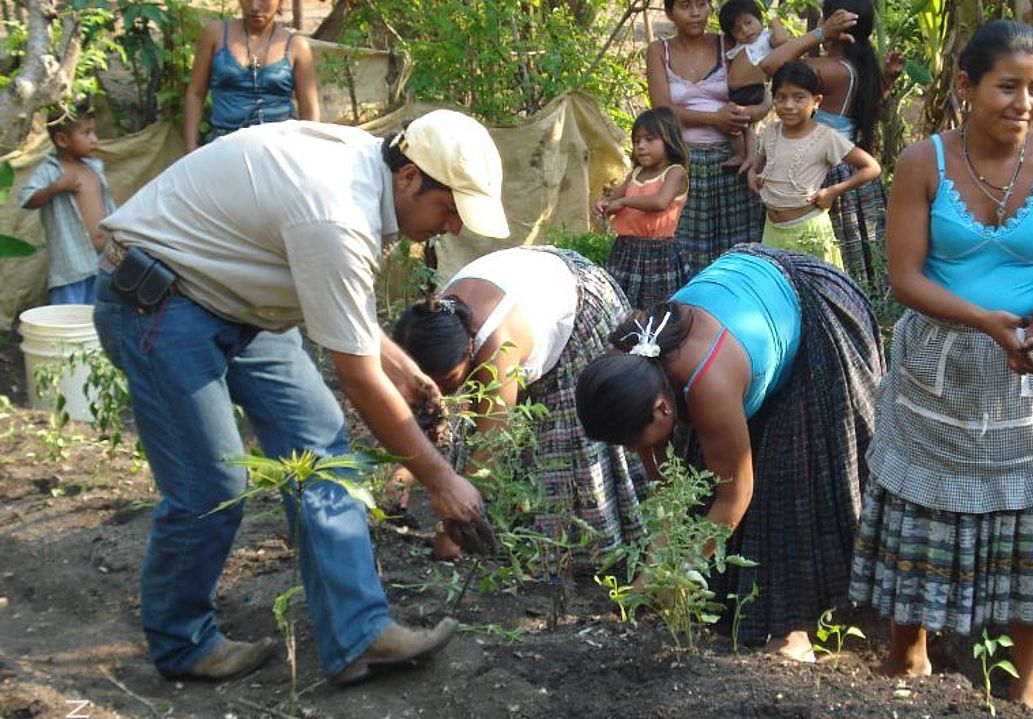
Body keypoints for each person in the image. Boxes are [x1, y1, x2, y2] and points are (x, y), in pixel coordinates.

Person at [93, 110, 507, 686]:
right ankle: (181, 642)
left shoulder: (371, 182)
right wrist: (440, 480)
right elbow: (357, 377)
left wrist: (402, 366)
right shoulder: (337, 211)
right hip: (161, 301)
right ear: (411, 177)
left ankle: (359, 634)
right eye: (450, 209)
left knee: (321, 451)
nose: (454, 227)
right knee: (208, 484)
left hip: (241, 303)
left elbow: (340, 294)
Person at [846, 21, 1033, 710]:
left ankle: (1027, 687)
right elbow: (904, 278)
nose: (1024, 102)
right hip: (943, 368)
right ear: (966, 87)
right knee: (924, 510)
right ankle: (908, 658)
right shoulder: (922, 163)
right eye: (1008, 87)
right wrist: (987, 323)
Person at [576, 245, 883, 662]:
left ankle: (795, 633)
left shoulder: (708, 385)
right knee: (707, 471)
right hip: (748, 298)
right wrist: (650, 573)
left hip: (815, 313)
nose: (635, 451)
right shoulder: (629, 364)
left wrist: (674, 576)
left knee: (792, 479)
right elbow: (670, 491)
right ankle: (735, 610)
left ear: (663, 407)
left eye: (636, 440)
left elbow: (733, 496)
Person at [392, 246, 644, 556]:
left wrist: (450, 532)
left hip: (580, 307)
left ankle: (583, 554)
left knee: (567, 442)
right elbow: (418, 413)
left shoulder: (496, 341)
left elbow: (493, 442)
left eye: (447, 381)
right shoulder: (432, 325)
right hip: (530, 287)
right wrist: (403, 474)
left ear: (469, 350)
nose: (441, 393)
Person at [759, 0, 901, 295]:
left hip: (823, 169)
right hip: (849, 167)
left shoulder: (830, 69)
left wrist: (820, 33)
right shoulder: (860, 66)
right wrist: (886, 80)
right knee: (853, 258)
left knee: (820, 265)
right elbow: (866, 108)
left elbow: (771, 66)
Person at [646, 0, 770, 274]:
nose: (694, 13)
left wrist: (747, 114)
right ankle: (686, 312)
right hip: (683, 164)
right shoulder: (659, 51)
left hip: (733, 162)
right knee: (683, 248)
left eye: (701, 5)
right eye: (685, 6)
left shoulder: (728, 45)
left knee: (738, 249)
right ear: (669, 13)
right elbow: (662, 110)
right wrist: (714, 118)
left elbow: (761, 93)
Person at [747, 61, 880, 269]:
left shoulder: (825, 137)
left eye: (798, 97)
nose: (789, 105)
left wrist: (832, 191)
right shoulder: (771, 131)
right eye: (781, 98)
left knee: (814, 291)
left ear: (816, 101)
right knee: (779, 291)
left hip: (808, 230)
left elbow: (871, 167)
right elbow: (760, 161)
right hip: (771, 229)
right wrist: (752, 174)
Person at [183, 0, 319, 152]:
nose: (254, 6)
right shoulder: (216, 35)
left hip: (279, 147)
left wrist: (308, 152)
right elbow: (195, 93)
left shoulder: (296, 46)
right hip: (224, 146)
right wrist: (190, 147)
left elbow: (309, 111)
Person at [20, 105, 116, 305]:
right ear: (62, 140)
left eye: (94, 132)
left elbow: (108, 207)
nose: (94, 139)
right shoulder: (50, 171)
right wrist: (55, 188)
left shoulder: (93, 169)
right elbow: (27, 200)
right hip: (71, 266)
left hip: (103, 261)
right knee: (67, 320)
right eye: (87, 133)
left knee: (97, 321)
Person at [596, 107, 690, 310]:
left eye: (649, 139)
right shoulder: (636, 173)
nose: (641, 146)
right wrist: (605, 206)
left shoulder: (675, 173)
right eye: (637, 140)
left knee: (654, 309)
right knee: (620, 305)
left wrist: (623, 203)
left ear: (669, 140)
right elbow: (614, 200)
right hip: (626, 249)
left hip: (658, 253)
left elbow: (660, 202)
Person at [717, 0, 791, 169]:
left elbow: (782, 39)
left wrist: (775, 21)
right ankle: (746, 155)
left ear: (760, 20)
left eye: (748, 22)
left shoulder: (766, 39)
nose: (745, 30)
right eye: (737, 29)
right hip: (738, 92)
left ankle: (743, 155)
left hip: (752, 90)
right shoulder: (739, 45)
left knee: (737, 124)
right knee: (744, 127)